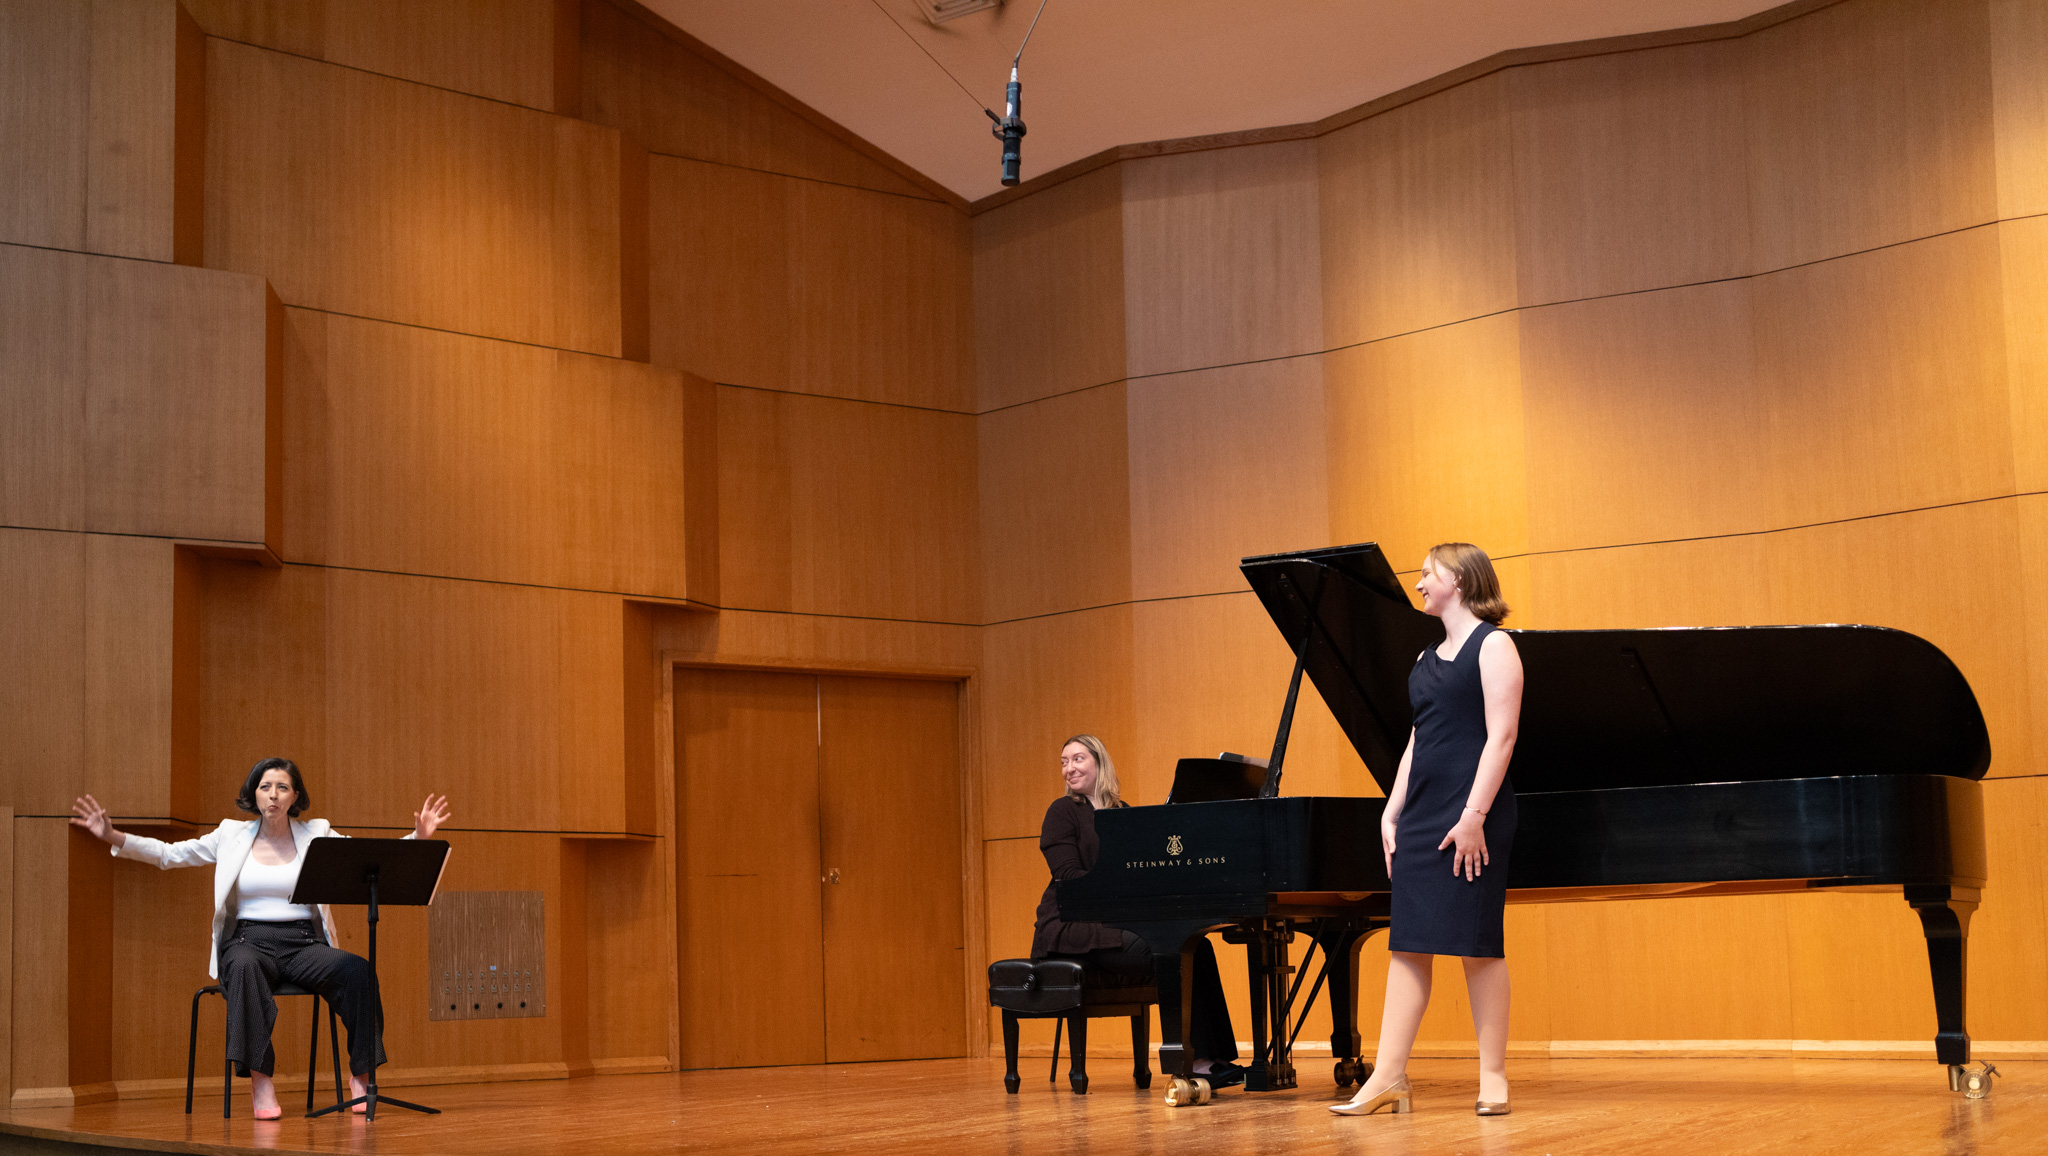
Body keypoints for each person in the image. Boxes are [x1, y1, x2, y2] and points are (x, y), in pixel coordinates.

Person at [71, 758, 451, 1121]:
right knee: (243, 967)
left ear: (294, 796)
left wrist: (418, 836)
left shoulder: (316, 832)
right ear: (253, 794)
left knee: (358, 971)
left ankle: (362, 1076)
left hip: (305, 944)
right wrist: (114, 835)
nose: (273, 794)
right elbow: (171, 854)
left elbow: (366, 859)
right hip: (248, 941)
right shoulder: (230, 835)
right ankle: (261, 1082)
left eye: (282, 787)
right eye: (265, 786)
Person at [1332, 543, 1522, 1118]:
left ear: (1459, 580)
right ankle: (1387, 1078)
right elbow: (1418, 739)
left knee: (1476, 945)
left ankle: (1493, 1077)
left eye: (1425, 574)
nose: (1417, 584)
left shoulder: (1496, 647)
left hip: (1473, 816)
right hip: (1421, 816)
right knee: (1408, 945)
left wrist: (1473, 817)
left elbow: (1502, 737)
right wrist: (1393, 810)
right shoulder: (1423, 659)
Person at [1030, 734, 1242, 1088]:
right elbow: (1068, 877)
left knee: (1196, 944)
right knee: (1169, 952)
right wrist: (1125, 893)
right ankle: (1192, 1061)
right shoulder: (1062, 812)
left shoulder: (1123, 813)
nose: (1069, 768)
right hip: (1073, 925)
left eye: (1078, 759)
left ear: (1100, 762)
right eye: (1064, 762)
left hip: (1118, 922)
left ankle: (1217, 1056)